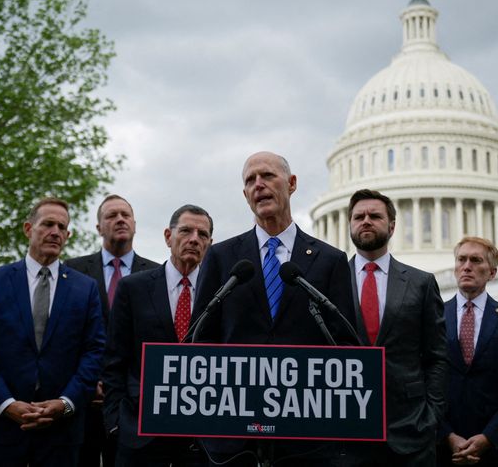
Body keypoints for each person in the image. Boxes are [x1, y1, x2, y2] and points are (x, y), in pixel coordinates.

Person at [194, 151, 355, 466]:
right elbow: (202, 338)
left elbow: (345, 343)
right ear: (245, 195)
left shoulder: (330, 260)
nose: (258, 185)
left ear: (292, 184)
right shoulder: (222, 258)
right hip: (234, 436)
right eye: (250, 181)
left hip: (307, 436)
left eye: (267, 176)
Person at [0, 197, 106, 466]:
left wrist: (65, 403)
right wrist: (7, 403)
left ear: (68, 235)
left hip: (61, 433)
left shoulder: (85, 288)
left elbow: (94, 351)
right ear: (28, 229)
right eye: (47, 224)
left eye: (62, 227)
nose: (55, 232)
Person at [338, 189, 447, 467]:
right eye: (358, 216)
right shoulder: (332, 281)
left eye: (375, 216)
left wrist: (431, 417)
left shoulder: (421, 283)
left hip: (411, 431)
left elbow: (436, 356)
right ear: (349, 224)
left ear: (392, 225)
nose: (366, 221)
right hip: (346, 432)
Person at [103, 204, 213, 466]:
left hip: (200, 438)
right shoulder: (133, 287)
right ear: (168, 236)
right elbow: (114, 359)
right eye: (186, 231)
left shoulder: (220, 290)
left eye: (203, 234)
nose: (194, 239)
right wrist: (116, 423)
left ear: (210, 244)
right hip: (140, 433)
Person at [66, 194, 159, 467]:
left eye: (125, 215)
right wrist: (85, 380)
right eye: (111, 216)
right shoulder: (72, 272)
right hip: (81, 399)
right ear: (98, 228)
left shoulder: (157, 274)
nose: (120, 220)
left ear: (134, 224)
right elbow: (66, 334)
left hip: (132, 404)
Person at [438, 237, 498, 467]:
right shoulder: (433, 317)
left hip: (497, 451)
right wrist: (447, 436)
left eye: (475, 260)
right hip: (443, 451)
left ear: (492, 272)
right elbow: (421, 382)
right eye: (461, 259)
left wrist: (489, 437)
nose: (467, 266)